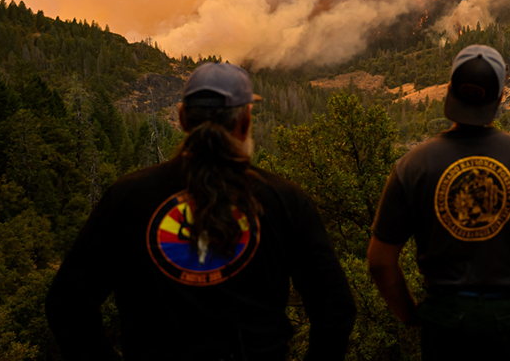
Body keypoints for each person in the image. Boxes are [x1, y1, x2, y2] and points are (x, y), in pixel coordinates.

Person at [46, 62, 356, 361]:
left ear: (181, 119)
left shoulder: (128, 197)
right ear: (245, 120)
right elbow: (335, 309)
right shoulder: (283, 199)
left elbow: (67, 304)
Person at [367, 44, 510, 361]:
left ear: (448, 90)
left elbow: (379, 261)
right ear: (500, 97)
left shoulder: (413, 165)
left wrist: (410, 314)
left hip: (446, 325)